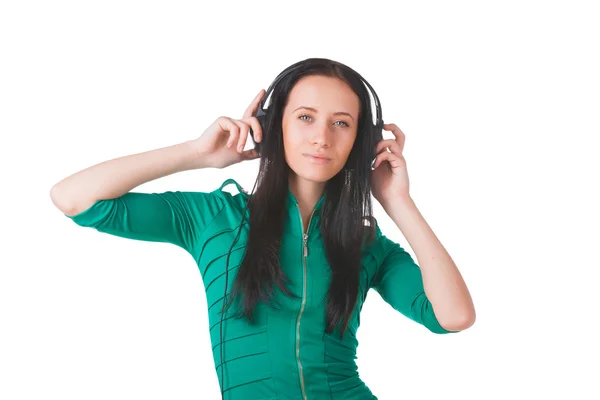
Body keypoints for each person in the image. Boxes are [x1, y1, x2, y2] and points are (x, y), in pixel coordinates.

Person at [50, 57, 475, 400]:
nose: (322, 137)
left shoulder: (365, 245)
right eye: (306, 117)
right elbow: (75, 199)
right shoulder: (214, 219)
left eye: (341, 123)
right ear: (275, 125)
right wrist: (198, 154)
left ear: (359, 141)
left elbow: (453, 317)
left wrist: (397, 202)